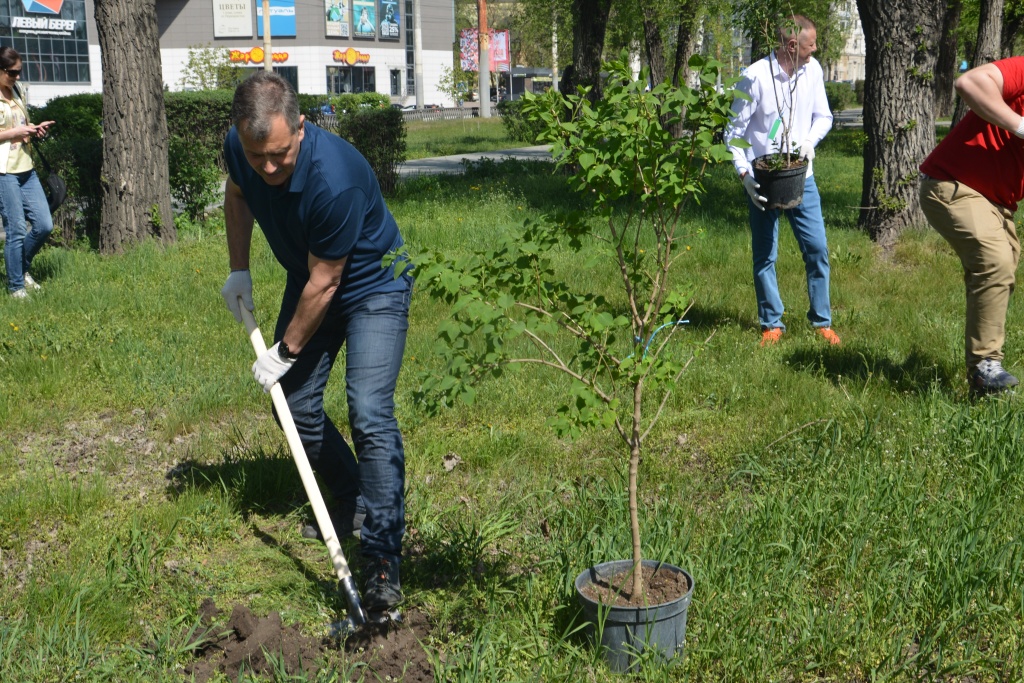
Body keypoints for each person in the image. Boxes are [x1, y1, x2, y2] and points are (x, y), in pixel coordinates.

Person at [220, 71, 413, 611]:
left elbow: (328, 282)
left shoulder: (336, 177)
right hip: (310, 281)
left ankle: (381, 559)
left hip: (372, 284)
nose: (269, 167)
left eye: (280, 154)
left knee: (370, 410)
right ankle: (351, 494)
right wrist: (240, 270)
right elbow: (237, 194)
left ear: (301, 127)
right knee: (295, 407)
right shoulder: (243, 148)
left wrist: (283, 352)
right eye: (259, 156)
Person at [724, 15, 839, 347]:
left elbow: (824, 117)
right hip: (763, 179)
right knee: (765, 254)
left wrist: (809, 143)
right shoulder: (755, 78)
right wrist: (745, 174)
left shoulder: (812, 72)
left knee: (817, 248)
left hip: (803, 176)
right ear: (792, 45)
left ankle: (821, 321)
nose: (815, 50)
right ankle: (771, 322)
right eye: (811, 44)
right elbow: (733, 133)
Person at [919, 57, 1024, 396]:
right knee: (995, 260)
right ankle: (984, 367)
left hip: (999, 202)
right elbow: (970, 83)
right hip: (954, 185)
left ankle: (983, 380)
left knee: (1002, 267)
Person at [0, 47, 54, 299]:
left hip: (26, 168)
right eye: (12, 73)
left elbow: (21, 124)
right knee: (16, 229)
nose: (17, 77)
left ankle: (20, 269)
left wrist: (34, 129)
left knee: (44, 225)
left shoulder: (18, 91)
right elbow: (11, 132)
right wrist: (14, 134)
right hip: (4, 172)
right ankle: (15, 287)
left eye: (19, 72)